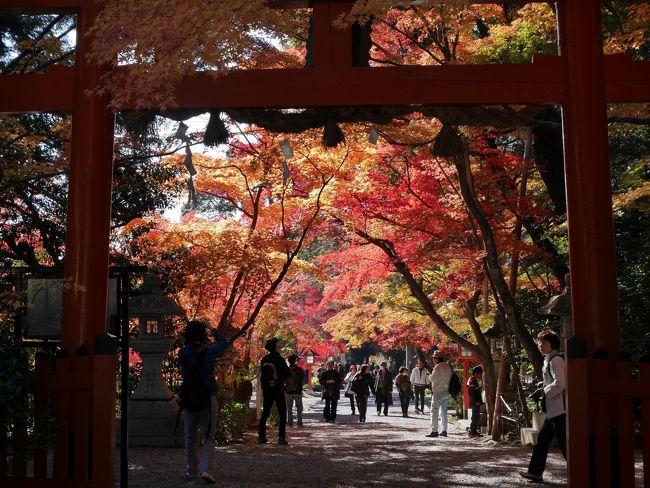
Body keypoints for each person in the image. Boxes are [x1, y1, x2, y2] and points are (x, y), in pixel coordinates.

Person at [178, 320, 228, 484]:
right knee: (208, 436)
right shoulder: (209, 351)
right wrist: (212, 328)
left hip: (189, 398)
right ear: (202, 334)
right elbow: (223, 342)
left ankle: (191, 472)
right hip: (207, 397)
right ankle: (206, 469)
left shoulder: (182, 353)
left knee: (189, 437)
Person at [519, 329, 566, 482]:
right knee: (543, 441)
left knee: (565, 445)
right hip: (555, 410)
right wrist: (543, 387)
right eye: (539, 342)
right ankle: (535, 472)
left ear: (553, 343)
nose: (540, 345)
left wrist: (543, 391)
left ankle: (583, 474)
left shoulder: (556, 360)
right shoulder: (549, 359)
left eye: (544, 342)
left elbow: (560, 384)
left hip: (561, 409)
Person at [258, 337, 291, 444]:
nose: (279, 345)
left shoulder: (264, 359)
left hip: (267, 389)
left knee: (265, 412)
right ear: (275, 346)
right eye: (278, 344)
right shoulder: (279, 359)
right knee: (282, 412)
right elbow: (288, 374)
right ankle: (281, 437)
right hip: (278, 388)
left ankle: (261, 436)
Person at [426, 350, 453, 437]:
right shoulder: (448, 366)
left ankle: (434, 431)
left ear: (437, 358)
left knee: (434, 411)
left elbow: (433, 379)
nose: (433, 360)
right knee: (443, 412)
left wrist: (429, 375)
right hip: (446, 390)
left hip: (438, 391)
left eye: (434, 358)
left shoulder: (437, 367)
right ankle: (444, 430)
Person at [285, 354, 305, 427]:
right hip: (298, 391)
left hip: (288, 391)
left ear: (289, 361)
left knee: (289, 408)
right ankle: (299, 422)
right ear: (295, 361)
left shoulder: (286, 370)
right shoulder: (300, 370)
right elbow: (303, 380)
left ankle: (290, 423)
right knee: (299, 408)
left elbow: (283, 380)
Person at [467, 365, 484, 438]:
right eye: (480, 373)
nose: (480, 375)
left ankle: (474, 431)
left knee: (476, 417)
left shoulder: (472, 380)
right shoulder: (472, 380)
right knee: (475, 417)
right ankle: (472, 432)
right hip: (475, 402)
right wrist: (475, 401)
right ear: (476, 373)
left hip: (476, 402)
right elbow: (471, 392)